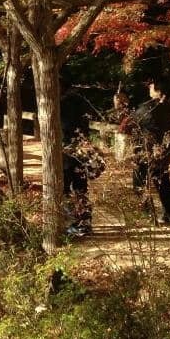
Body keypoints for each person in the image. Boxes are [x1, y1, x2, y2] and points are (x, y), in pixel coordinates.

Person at [126, 78, 170, 225]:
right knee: (162, 182)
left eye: (152, 86)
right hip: (164, 150)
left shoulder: (148, 109)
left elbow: (128, 125)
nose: (149, 87)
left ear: (159, 90)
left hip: (147, 152)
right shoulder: (169, 107)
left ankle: (149, 218)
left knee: (139, 183)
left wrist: (121, 106)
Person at [61, 86, 101, 237]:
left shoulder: (63, 107)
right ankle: (85, 222)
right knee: (81, 189)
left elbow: (63, 131)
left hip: (66, 154)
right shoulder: (82, 109)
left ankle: (72, 223)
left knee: (65, 190)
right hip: (81, 153)